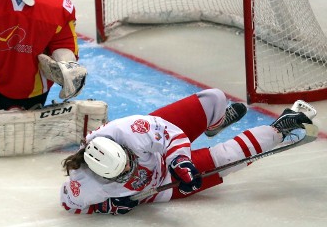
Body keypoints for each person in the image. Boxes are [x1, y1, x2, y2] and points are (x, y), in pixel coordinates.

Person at [59, 89, 313, 215]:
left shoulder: (128, 131)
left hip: (160, 148)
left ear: (122, 148)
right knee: (227, 159)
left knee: (214, 99)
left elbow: (172, 135)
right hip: (164, 188)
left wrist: (180, 162)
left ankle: (215, 123)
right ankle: (279, 129)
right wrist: (108, 206)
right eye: (123, 173)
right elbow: (68, 204)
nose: (130, 168)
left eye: (128, 161)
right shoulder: (85, 185)